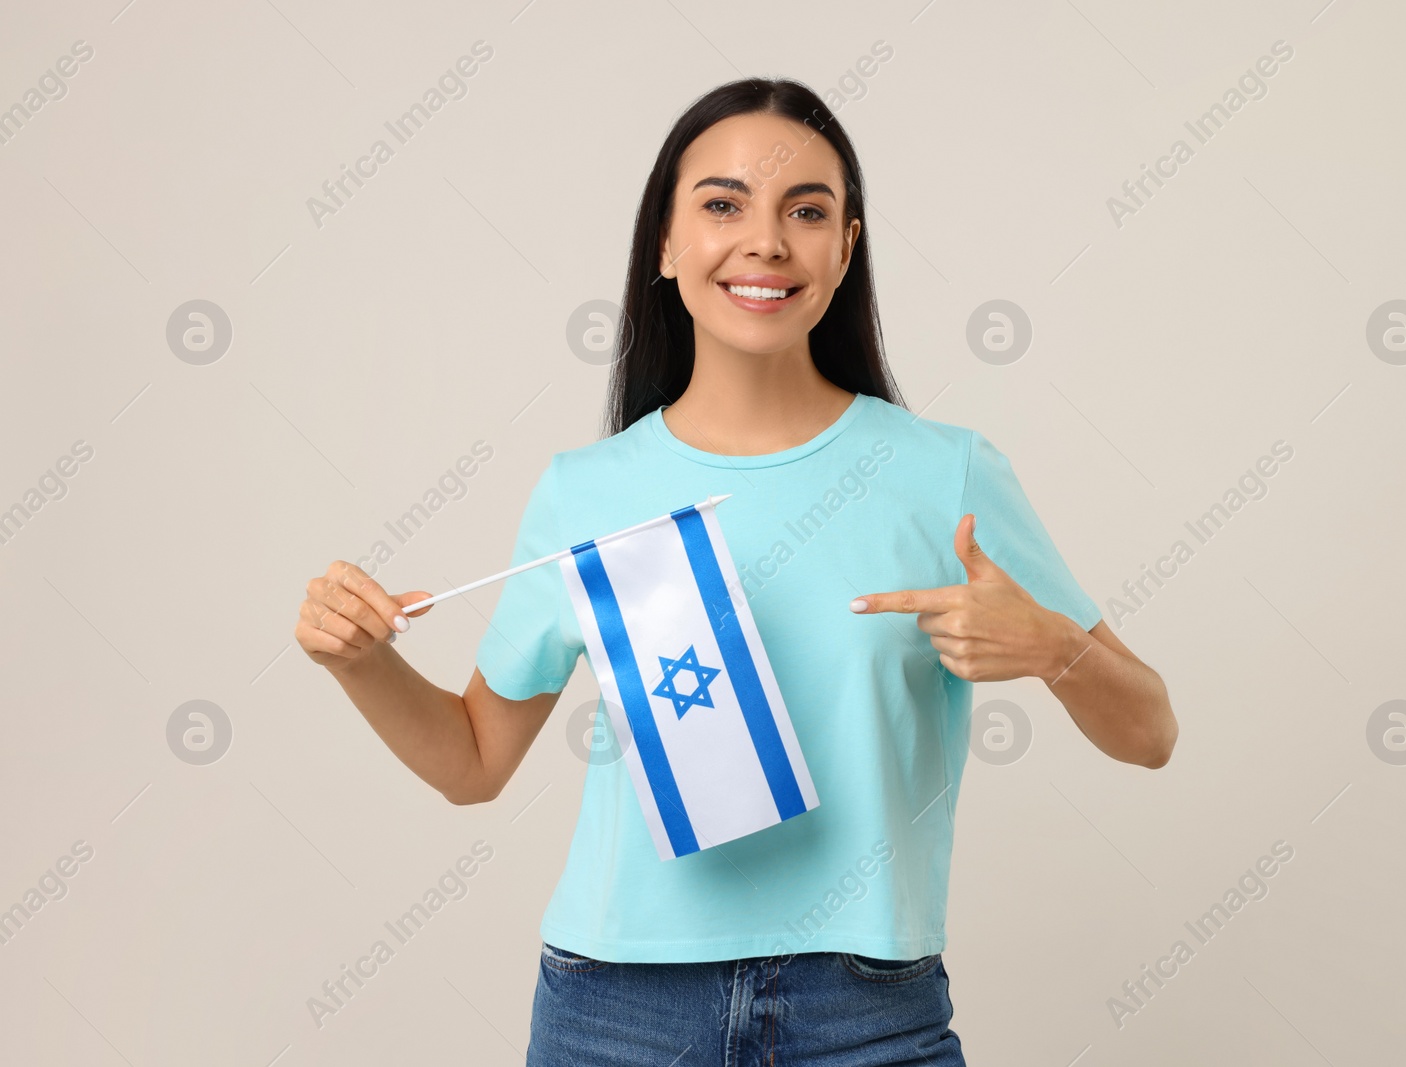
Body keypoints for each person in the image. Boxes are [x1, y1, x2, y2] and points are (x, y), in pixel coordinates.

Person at [294, 77, 1177, 1067]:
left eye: (806, 212)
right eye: (722, 204)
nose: (765, 240)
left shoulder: (946, 473)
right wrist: (359, 660)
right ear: (665, 245)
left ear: (845, 248)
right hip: (614, 1013)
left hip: (867, 1014)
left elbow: (1150, 731)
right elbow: (473, 762)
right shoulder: (585, 490)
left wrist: (1057, 651)